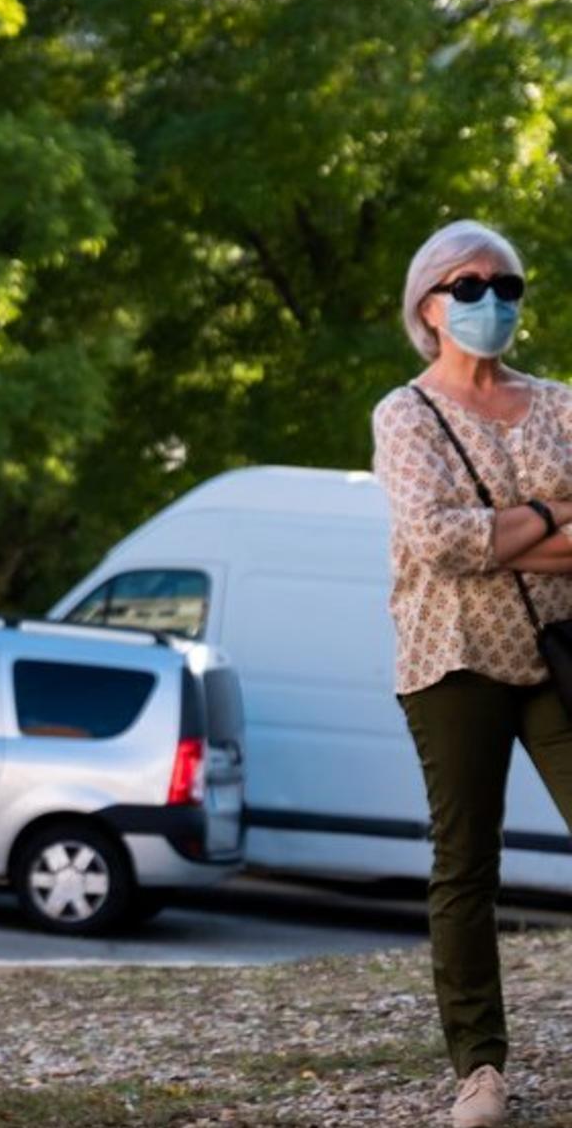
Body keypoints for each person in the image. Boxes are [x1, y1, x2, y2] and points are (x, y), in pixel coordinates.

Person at [373, 219, 572, 1128]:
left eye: (507, 285)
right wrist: (551, 513)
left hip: (560, 653)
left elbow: (469, 539)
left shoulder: (560, 403)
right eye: (469, 285)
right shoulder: (405, 414)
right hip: (450, 657)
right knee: (466, 862)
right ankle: (479, 1070)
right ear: (429, 306)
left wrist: (497, 533)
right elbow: (435, 540)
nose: (491, 300)